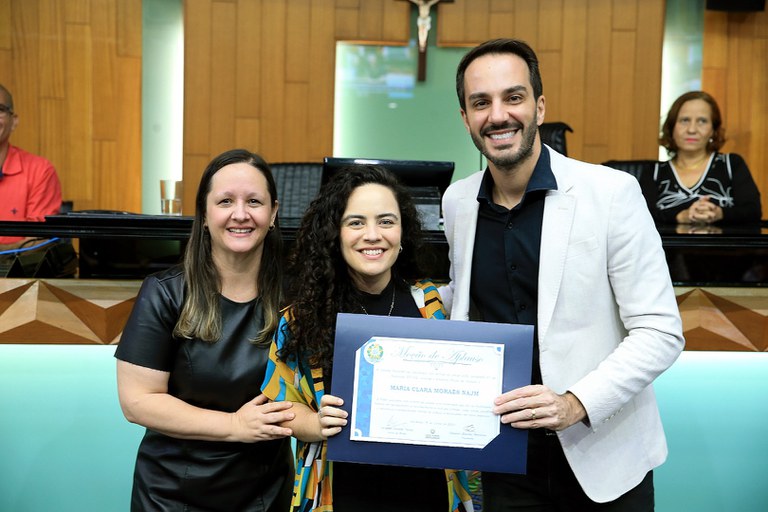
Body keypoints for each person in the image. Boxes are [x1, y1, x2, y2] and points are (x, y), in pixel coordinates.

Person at [442, 38, 685, 510]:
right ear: (465, 117)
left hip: (606, 457)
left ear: (539, 106)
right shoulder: (458, 201)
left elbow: (660, 331)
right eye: (481, 102)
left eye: (513, 97)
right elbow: (463, 302)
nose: (498, 115)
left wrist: (573, 403)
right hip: (504, 459)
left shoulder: (611, 193)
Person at [261, 165, 472, 512]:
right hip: (339, 493)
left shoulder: (431, 304)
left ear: (403, 232)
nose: (373, 235)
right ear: (335, 233)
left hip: (428, 491)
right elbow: (279, 405)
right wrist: (314, 424)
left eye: (386, 221)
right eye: (356, 222)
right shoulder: (299, 319)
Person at [115, 149, 294, 511]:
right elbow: (137, 402)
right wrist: (234, 425)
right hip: (172, 495)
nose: (240, 214)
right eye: (225, 201)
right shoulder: (165, 293)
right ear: (205, 213)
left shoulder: (296, 295)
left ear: (273, 212)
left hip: (265, 492)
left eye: (254, 201)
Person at [642, 90, 762, 225]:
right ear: (671, 127)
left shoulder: (731, 164)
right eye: (685, 120)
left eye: (702, 121)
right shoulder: (653, 172)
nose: (692, 130)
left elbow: (753, 211)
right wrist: (680, 216)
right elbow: (640, 216)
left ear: (713, 130)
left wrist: (720, 213)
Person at [0, 83, 63, 249]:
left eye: (0, 109)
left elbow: (36, 245)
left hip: (17, 267)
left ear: (14, 121)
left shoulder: (40, 171)